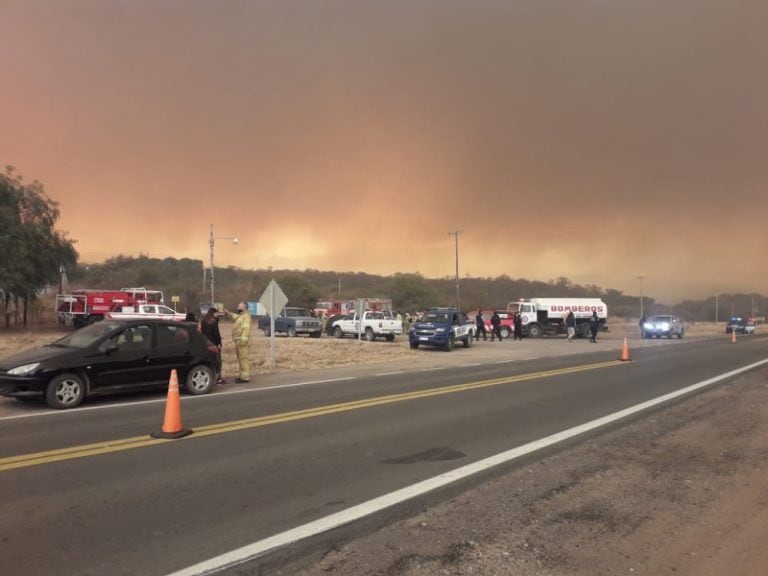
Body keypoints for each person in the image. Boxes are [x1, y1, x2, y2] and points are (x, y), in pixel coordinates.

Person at [224, 301, 252, 383]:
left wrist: (242, 341)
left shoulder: (246, 317)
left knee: (243, 359)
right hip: (239, 342)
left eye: (239, 306)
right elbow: (235, 317)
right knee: (241, 360)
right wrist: (228, 312)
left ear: (244, 307)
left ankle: (245, 377)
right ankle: (242, 376)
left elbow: (246, 329)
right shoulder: (241, 316)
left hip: (242, 342)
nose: (237, 307)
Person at [200, 306, 225, 384]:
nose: (218, 314)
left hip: (206, 344)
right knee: (218, 361)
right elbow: (216, 333)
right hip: (214, 344)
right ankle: (218, 378)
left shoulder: (203, 321)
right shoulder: (214, 321)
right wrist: (219, 343)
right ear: (213, 313)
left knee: (209, 361)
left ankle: (210, 378)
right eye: (217, 313)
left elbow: (202, 332)